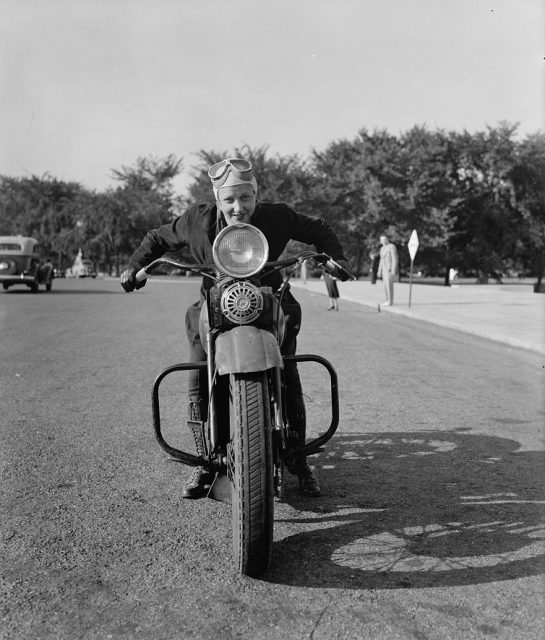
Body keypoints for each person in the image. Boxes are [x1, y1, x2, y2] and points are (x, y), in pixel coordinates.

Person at [120, 157, 352, 499]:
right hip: (214, 303)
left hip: (269, 298)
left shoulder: (276, 216)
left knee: (288, 365)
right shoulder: (195, 220)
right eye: (229, 199)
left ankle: (299, 459)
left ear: (255, 195)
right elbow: (158, 238)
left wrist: (336, 258)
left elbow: (317, 227)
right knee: (199, 365)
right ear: (217, 199)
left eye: (246, 197)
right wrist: (135, 267)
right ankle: (205, 460)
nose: (238, 207)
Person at [377, 234, 398, 309]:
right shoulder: (382, 248)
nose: (382, 241)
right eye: (381, 240)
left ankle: (390, 301)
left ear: (387, 239)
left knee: (389, 285)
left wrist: (393, 270)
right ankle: (387, 299)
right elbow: (381, 260)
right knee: (385, 286)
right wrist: (379, 270)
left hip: (389, 269)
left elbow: (394, 259)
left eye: (383, 239)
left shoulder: (391, 246)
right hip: (384, 270)